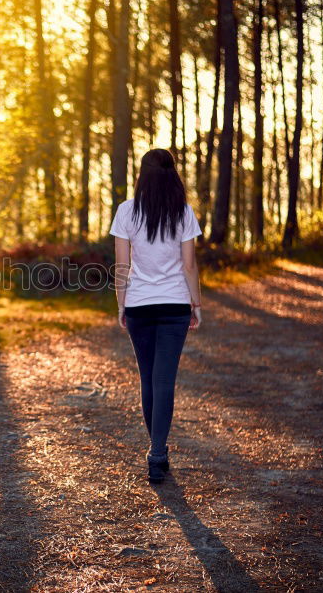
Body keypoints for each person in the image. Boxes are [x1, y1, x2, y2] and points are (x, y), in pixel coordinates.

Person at [109, 148, 202, 484]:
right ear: (172, 174)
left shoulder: (126, 211)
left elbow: (121, 266)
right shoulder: (183, 212)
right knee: (164, 382)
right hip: (174, 305)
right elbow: (189, 265)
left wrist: (121, 305)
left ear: (142, 174)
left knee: (148, 380)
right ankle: (158, 452)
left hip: (139, 305)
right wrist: (196, 304)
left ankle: (157, 451)